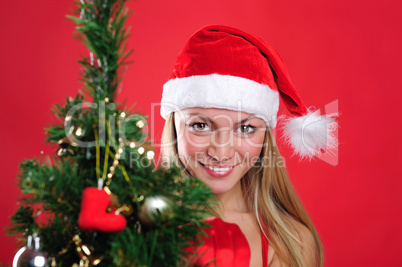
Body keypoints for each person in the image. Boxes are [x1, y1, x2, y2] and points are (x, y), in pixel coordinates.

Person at [160, 25, 337, 267]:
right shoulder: (135, 225)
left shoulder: (289, 240)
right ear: (174, 128)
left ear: (266, 137)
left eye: (245, 128)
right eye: (201, 126)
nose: (221, 152)